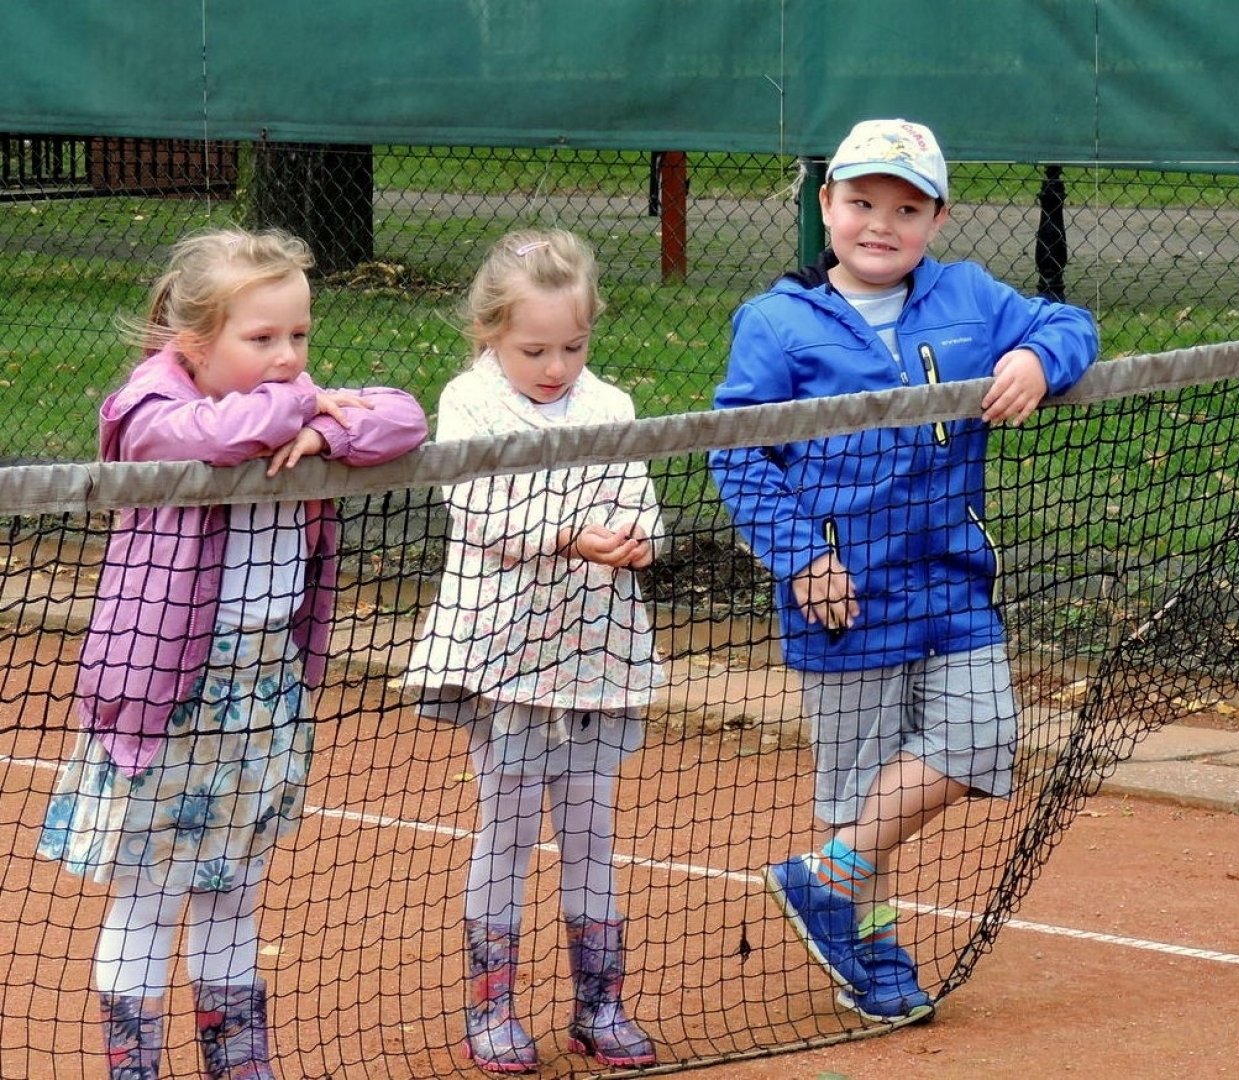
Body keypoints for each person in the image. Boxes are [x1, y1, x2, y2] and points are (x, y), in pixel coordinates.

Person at [709, 119, 1099, 1024]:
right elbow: (735, 454)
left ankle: (819, 882)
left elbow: (1069, 321)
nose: (879, 224)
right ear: (826, 207)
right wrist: (804, 559)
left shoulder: (969, 296)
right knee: (864, 798)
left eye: (905, 207)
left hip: (950, 582)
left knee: (981, 736)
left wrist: (1034, 358)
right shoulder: (775, 322)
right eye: (860, 203)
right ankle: (873, 957)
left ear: (937, 217)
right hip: (840, 598)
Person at [36, 227, 429, 1080]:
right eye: (262, 338)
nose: (289, 356)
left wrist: (326, 435)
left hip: (265, 692)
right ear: (194, 344)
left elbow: (403, 415)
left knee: (233, 889)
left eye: (299, 336)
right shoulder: (145, 413)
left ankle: (239, 1064)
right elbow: (208, 439)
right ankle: (133, 1068)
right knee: (149, 897)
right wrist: (309, 407)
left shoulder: (289, 398)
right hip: (166, 696)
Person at [402, 229, 663, 1073]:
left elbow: (642, 506)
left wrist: (633, 541)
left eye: (574, 346)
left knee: (590, 827)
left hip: (598, 652)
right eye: (534, 348)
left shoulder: (611, 406)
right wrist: (569, 535)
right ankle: (493, 1010)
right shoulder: (468, 402)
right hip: (502, 656)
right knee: (508, 828)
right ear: (489, 334)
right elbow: (477, 510)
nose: (556, 366)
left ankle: (599, 1004)